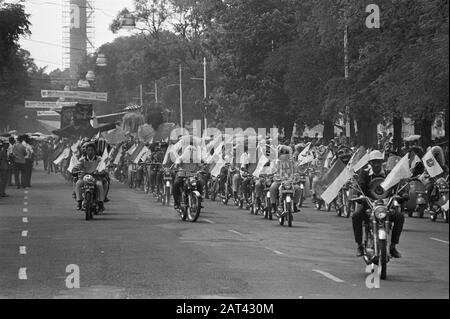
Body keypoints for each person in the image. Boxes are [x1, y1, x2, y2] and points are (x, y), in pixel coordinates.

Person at [352, 150, 405, 259]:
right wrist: (360, 195)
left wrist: (403, 194)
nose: (376, 164)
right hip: (369, 204)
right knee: (356, 216)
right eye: (374, 162)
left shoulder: (388, 173)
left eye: (378, 161)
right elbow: (360, 186)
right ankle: (359, 246)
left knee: (399, 217)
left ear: (382, 162)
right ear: (370, 163)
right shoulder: (365, 173)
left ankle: (393, 246)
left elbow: (396, 186)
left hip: (385, 205)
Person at [74, 142, 106, 212]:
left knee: (99, 185)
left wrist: (101, 172)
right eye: (88, 150)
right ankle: (79, 202)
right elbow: (76, 167)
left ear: (95, 151)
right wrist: (75, 170)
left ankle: (101, 203)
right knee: (78, 184)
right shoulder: (82, 159)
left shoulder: (99, 159)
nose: (90, 151)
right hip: (84, 178)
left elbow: (104, 168)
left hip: (96, 178)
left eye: (92, 150)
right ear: (86, 151)